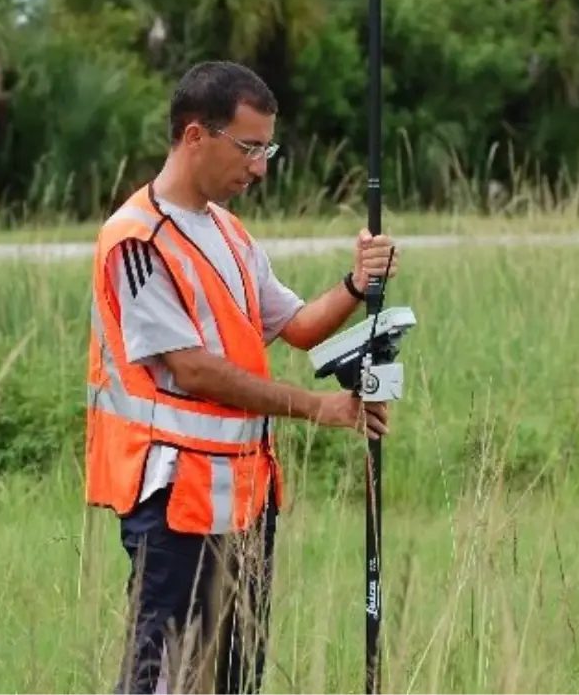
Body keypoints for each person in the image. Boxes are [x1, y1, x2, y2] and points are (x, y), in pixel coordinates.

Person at [85, 60, 399, 695]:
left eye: (267, 148)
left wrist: (355, 284)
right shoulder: (136, 240)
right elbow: (194, 370)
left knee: (232, 680)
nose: (260, 167)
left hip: (246, 496)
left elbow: (297, 325)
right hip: (173, 502)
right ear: (196, 136)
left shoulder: (228, 232)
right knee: (161, 679)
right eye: (250, 147)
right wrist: (316, 407)